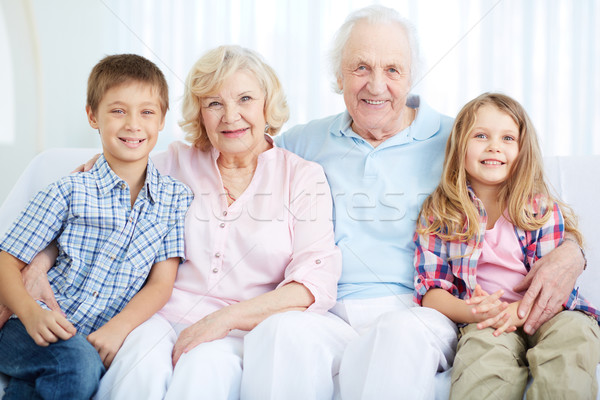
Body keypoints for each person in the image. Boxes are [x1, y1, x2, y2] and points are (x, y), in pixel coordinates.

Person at [241, 5, 588, 399]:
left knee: (398, 336)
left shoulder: (460, 138)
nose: (376, 85)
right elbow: (236, 155)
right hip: (328, 309)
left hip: (419, 310)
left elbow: (527, 200)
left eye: (392, 70)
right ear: (338, 76)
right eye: (360, 68)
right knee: (281, 331)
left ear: (411, 76)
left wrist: (571, 253)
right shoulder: (304, 141)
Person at [91, 45, 341, 399]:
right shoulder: (175, 162)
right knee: (138, 366)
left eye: (245, 99)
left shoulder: (302, 176)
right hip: (161, 315)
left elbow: (314, 282)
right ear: (200, 113)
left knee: (202, 369)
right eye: (214, 103)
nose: (230, 116)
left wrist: (223, 319)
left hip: (242, 328)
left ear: (267, 105)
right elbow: (93, 196)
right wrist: (36, 267)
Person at [0, 54, 193, 399]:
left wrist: (120, 328)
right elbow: (6, 260)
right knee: (76, 364)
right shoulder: (70, 189)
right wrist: (30, 315)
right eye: (118, 111)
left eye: (147, 112)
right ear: (93, 116)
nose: (133, 124)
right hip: (28, 326)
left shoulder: (174, 198)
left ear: (163, 119)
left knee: (43, 381)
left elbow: (161, 283)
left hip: (94, 335)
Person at [413, 92, 600, 399]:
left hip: (552, 313)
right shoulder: (440, 214)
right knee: (483, 359)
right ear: (459, 146)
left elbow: (558, 285)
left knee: (574, 338)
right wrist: (471, 313)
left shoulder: (539, 209)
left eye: (508, 138)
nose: (494, 146)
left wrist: (516, 312)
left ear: (523, 149)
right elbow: (430, 292)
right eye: (481, 135)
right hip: (485, 323)